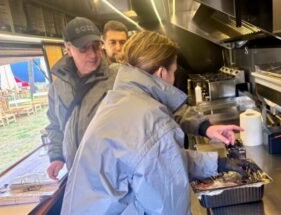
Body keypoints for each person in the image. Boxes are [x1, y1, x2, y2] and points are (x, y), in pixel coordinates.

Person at [62, 31, 254, 214]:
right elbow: (169, 207)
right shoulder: (151, 118)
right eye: (174, 72)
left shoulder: (121, 99)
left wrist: (217, 163)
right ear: (162, 73)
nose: (173, 78)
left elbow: (160, 160)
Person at [46, 17, 118, 179]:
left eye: (96, 46)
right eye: (83, 49)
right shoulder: (57, 88)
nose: (93, 54)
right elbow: (56, 124)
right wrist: (57, 156)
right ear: (68, 48)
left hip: (113, 174)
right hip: (77, 174)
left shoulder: (118, 77)